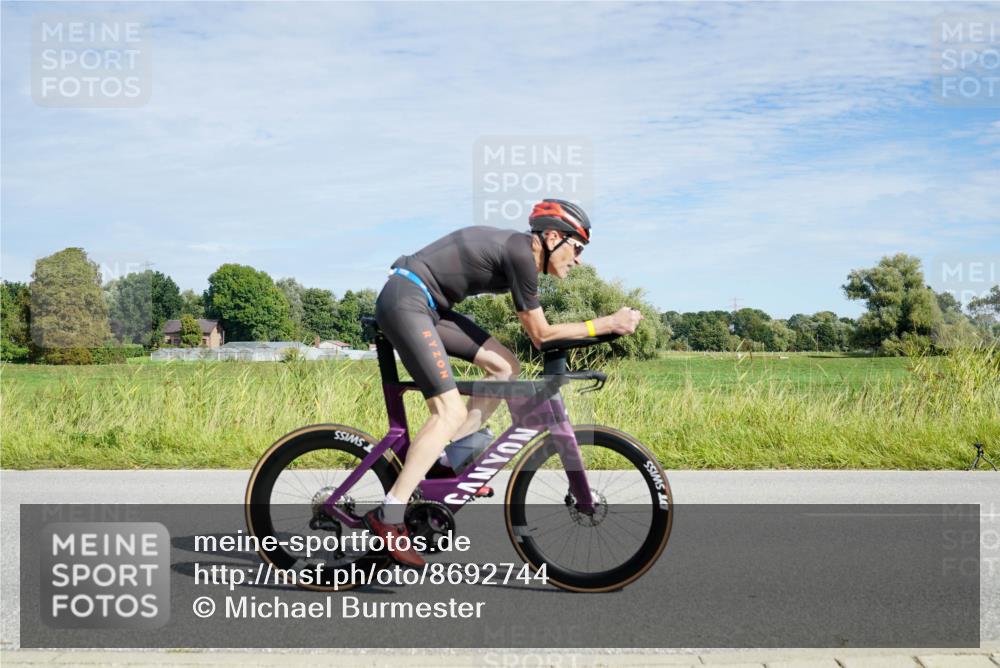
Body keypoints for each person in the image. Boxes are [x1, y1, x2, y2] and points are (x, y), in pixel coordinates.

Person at [364, 198, 644, 567]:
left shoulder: (521, 254)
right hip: (407, 300)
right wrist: (605, 324)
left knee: (505, 367)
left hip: (430, 305)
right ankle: (390, 517)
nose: (578, 259)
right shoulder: (522, 255)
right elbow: (541, 336)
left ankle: (452, 462)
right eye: (576, 248)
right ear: (553, 237)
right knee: (447, 412)